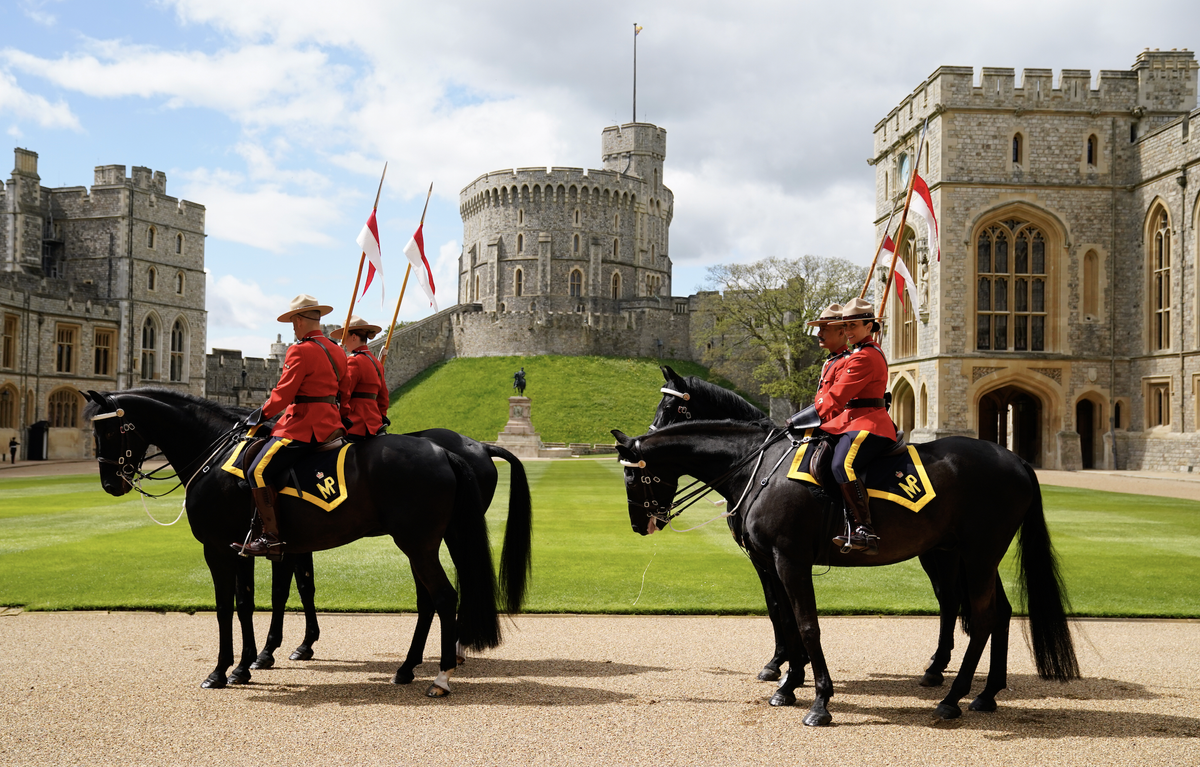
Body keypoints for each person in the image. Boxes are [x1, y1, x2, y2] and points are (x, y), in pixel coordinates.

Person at [234, 295, 351, 558]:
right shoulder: (338, 351)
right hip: (331, 426)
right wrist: (342, 418)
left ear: (298, 320)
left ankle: (270, 537)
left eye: (292, 322)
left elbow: (284, 394)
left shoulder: (299, 350)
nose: (293, 328)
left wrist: (260, 414)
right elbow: (345, 392)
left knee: (257, 470)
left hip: (303, 427)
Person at [814, 297, 897, 555]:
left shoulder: (866, 356)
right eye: (846, 326)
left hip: (869, 422)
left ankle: (864, 530)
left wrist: (800, 419)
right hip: (851, 420)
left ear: (869, 326)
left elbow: (836, 397)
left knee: (843, 464)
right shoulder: (858, 353)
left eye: (853, 326)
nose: (848, 331)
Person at [331, 315, 389, 440]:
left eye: (344, 338)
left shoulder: (353, 361)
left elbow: (344, 394)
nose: (343, 342)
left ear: (353, 337)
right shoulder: (376, 363)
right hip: (375, 424)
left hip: (355, 424)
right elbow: (383, 399)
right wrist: (380, 416)